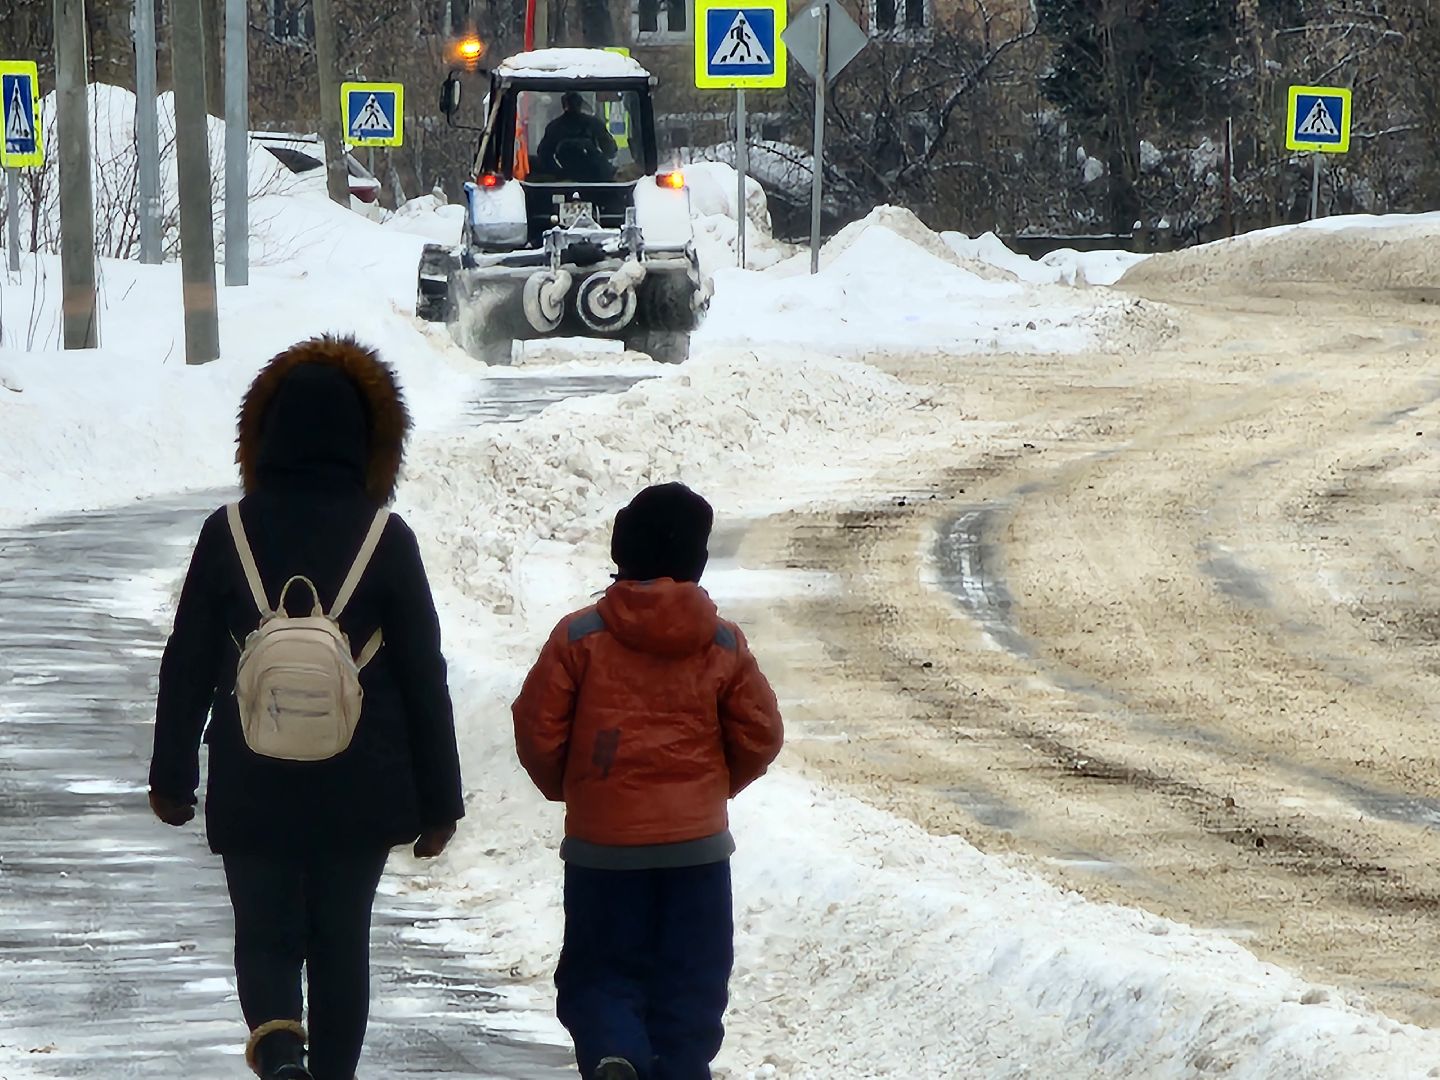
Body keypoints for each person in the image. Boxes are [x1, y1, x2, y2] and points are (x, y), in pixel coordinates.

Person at [147, 335, 465, 1080]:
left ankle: (282, 1055)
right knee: (340, 944)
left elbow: (188, 659)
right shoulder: (386, 538)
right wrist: (439, 802)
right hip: (361, 783)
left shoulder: (228, 531)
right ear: (369, 442)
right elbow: (424, 674)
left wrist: (172, 776)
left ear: (264, 435)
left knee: (263, 934)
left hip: (252, 773)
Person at [512, 483, 785, 1080]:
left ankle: (615, 1051)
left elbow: (537, 730)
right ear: (696, 559)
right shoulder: (723, 642)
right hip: (697, 852)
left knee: (600, 971)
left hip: (604, 849)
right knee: (691, 985)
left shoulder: (578, 638)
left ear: (623, 550)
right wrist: (707, 789)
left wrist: (580, 789)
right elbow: (761, 734)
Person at [536, 90, 618, 182]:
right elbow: (611, 151)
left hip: (581, 179)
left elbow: (544, 157)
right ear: (581, 104)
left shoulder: (554, 127)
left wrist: (559, 174)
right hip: (592, 178)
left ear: (563, 105)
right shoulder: (594, 123)